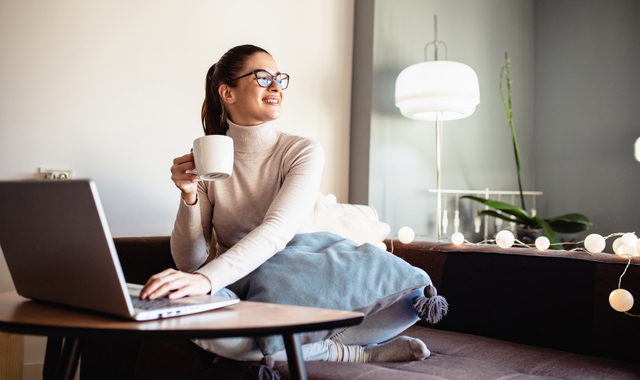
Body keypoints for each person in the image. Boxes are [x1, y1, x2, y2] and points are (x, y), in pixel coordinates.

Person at [140, 44, 432, 363]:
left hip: (301, 278)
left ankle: (335, 349)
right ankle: (346, 354)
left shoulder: (301, 151)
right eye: (263, 78)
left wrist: (205, 280)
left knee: (410, 295)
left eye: (279, 78)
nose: (277, 86)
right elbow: (189, 263)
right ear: (228, 92)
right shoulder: (210, 158)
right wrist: (189, 196)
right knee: (171, 306)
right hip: (239, 286)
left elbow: (277, 231)